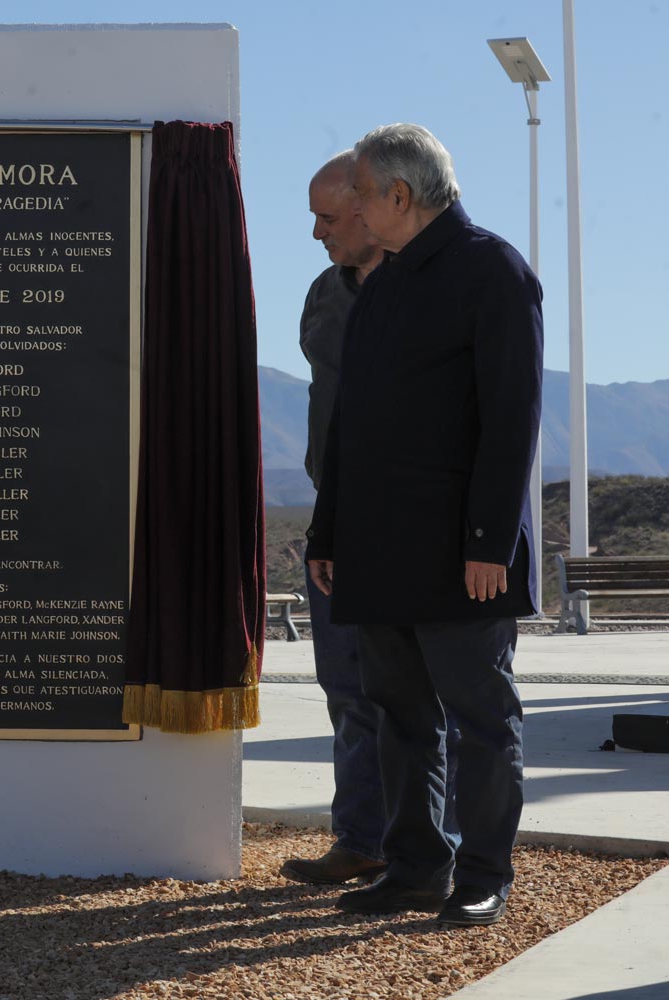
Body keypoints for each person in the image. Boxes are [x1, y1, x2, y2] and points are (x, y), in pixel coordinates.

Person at [306, 124, 541, 928]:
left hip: (460, 556)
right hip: (377, 552)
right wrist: (328, 533)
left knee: (480, 721)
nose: (354, 213)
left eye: (362, 196)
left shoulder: (492, 270)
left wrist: (489, 545)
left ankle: (483, 875)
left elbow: (511, 419)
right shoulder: (380, 288)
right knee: (399, 719)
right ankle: (413, 870)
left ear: (400, 197)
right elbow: (349, 428)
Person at [280, 151, 458, 887]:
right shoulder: (327, 290)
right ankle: (361, 836)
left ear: (371, 207)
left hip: (411, 520)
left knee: (415, 697)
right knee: (347, 687)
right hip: (338, 516)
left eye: (328, 218)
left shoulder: (433, 289)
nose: (317, 233)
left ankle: (428, 853)